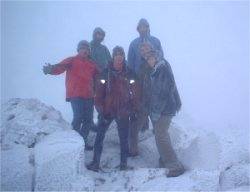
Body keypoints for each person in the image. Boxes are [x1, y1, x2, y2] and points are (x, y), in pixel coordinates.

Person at [86, 46, 140, 171]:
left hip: (124, 111)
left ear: (124, 56)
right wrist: (101, 110)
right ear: (113, 56)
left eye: (121, 54)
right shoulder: (105, 73)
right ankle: (95, 163)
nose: (119, 56)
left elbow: (136, 93)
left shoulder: (130, 73)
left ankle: (123, 164)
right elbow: (98, 94)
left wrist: (134, 109)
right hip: (107, 111)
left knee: (123, 138)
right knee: (100, 136)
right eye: (116, 54)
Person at [42, 40, 99, 150]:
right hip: (75, 94)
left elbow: (100, 75)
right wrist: (50, 69)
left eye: (87, 49)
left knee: (88, 120)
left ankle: (83, 141)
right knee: (78, 118)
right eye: (82, 48)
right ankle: (73, 143)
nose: (85, 51)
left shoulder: (92, 64)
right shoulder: (72, 60)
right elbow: (60, 67)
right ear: (78, 50)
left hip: (89, 95)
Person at [141, 50, 184, 177]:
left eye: (151, 58)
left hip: (164, 110)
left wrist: (156, 111)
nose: (149, 60)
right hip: (160, 109)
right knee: (161, 136)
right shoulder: (155, 70)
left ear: (157, 57)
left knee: (161, 136)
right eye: (147, 59)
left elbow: (164, 92)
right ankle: (166, 160)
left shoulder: (162, 68)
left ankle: (175, 166)